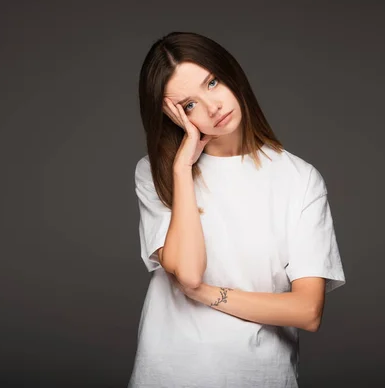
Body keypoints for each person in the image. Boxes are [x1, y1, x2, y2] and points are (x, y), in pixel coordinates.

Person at [129, 31, 346, 388]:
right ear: (172, 117)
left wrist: (205, 295)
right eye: (189, 105)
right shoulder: (157, 173)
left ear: (230, 73)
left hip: (259, 376)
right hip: (168, 375)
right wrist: (183, 169)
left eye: (212, 82)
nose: (212, 106)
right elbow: (188, 272)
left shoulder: (298, 179)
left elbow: (307, 311)